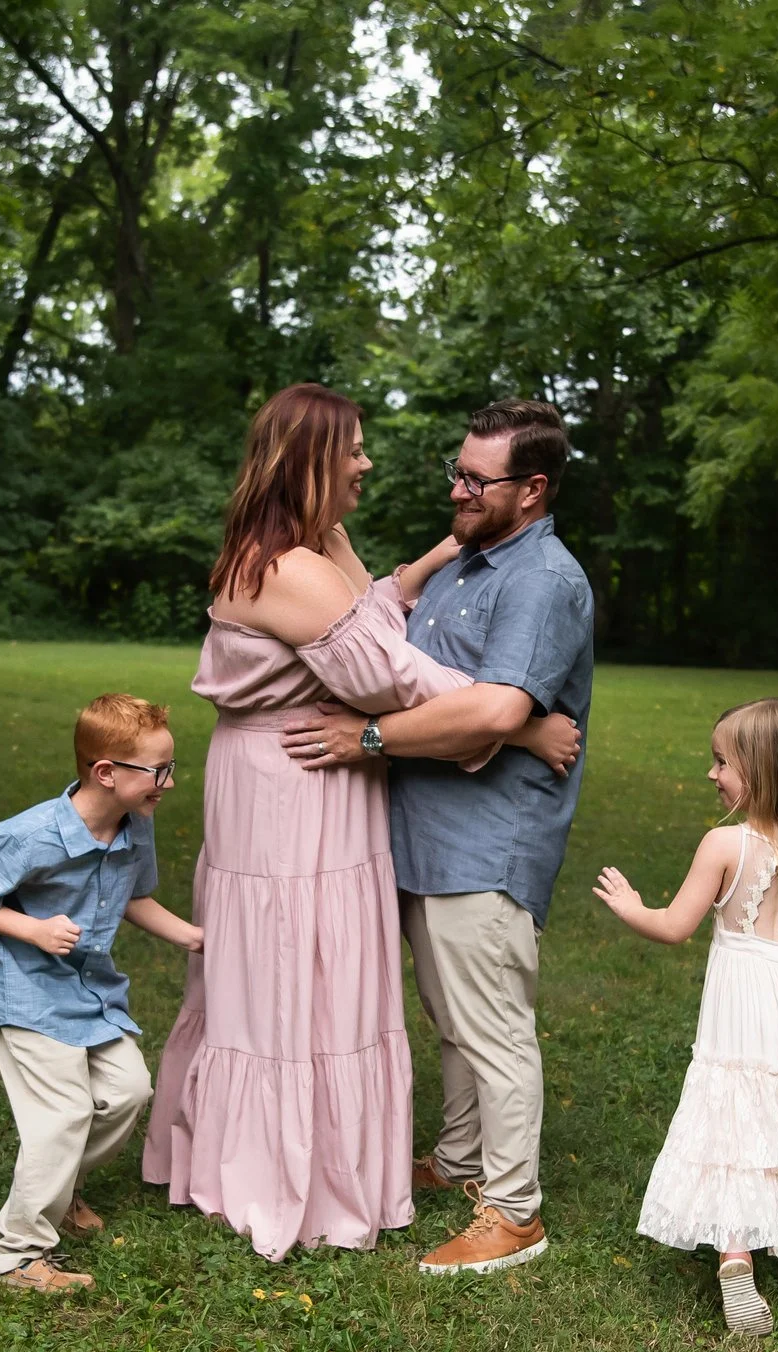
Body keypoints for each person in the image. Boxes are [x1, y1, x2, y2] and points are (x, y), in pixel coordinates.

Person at [145, 384, 581, 1262]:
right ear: (310, 459)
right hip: (298, 782)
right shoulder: (289, 567)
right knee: (293, 965)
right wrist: (515, 719)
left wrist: (419, 566)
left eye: (472, 476)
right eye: (354, 449)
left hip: (308, 773)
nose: (368, 463)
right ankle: (290, 1167)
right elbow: (392, 671)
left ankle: (414, 1168)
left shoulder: (311, 546)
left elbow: (375, 614)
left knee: (303, 968)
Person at [282, 399, 596, 1275]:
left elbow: (493, 708)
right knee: (453, 1018)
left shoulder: (541, 578)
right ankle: (459, 1162)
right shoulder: (468, 560)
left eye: (474, 478)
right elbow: (417, 674)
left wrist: (369, 739)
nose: (455, 488)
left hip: (488, 841)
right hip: (423, 833)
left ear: (532, 490)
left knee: (492, 1026)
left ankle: (513, 1211)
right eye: (455, 470)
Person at [589, 697, 778, 1336]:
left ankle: (737, 1256)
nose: (712, 774)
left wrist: (633, 906)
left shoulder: (727, 844)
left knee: (739, 1116)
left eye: (722, 762)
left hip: (745, 1005)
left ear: (765, 772)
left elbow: (673, 927)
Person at [0, 694, 204, 1294]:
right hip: (28, 991)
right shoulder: (29, 835)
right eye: (156, 771)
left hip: (91, 990)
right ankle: (13, 1258)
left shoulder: (136, 827)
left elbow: (135, 898)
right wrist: (34, 929)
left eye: (170, 767)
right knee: (64, 1114)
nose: (168, 782)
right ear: (106, 772)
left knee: (126, 1091)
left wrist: (193, 937)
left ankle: (58, 1187)